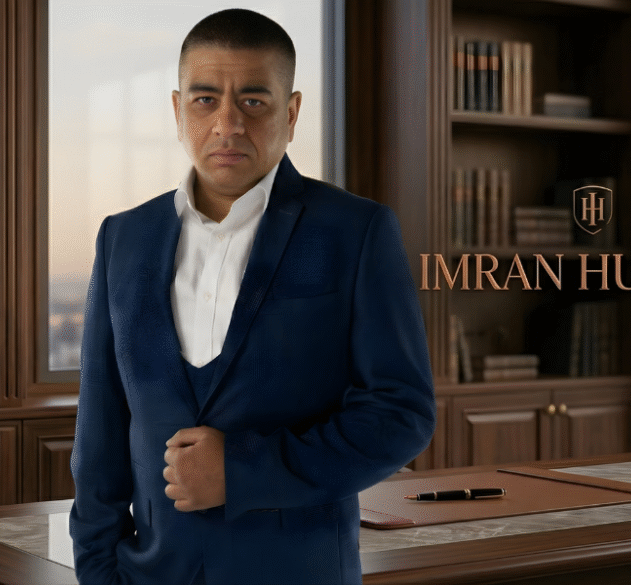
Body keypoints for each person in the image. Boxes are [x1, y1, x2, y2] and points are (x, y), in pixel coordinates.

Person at [69, 8, 435, 585]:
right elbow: (100, 432)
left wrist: (242, 472)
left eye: (254, 101)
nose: (228, 124)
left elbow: (401, 414)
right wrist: (97, 574)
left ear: (291, 113)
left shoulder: (355, 231)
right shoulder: (123, 238)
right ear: (178, 110)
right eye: (206, 100)